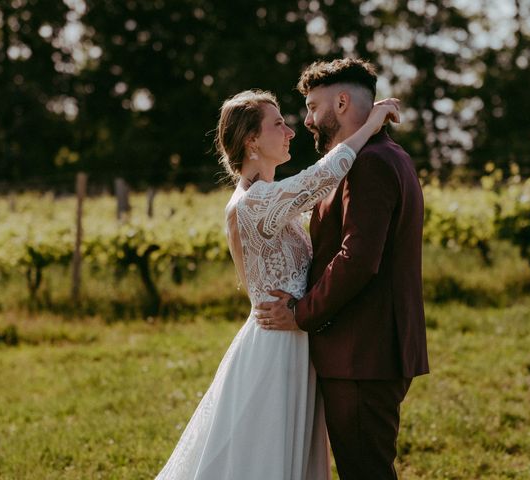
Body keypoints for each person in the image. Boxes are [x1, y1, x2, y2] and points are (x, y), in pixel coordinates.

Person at [155, 89, 400, 479]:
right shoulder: (253, 203)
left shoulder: (267, 198)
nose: (290, 131)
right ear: (252, 140)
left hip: (295, 340)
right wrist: (370, 125)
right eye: (278, 124)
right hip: (275, 348)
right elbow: (321, 177)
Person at [255, 58, 429, 479]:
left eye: (314, 107)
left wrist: (300, 314)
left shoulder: (370, 164)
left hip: (362, 353)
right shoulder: (385, 155)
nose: (309, 120)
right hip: (368, 351)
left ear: (343, 102)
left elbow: (356, 260)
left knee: (365, 472)